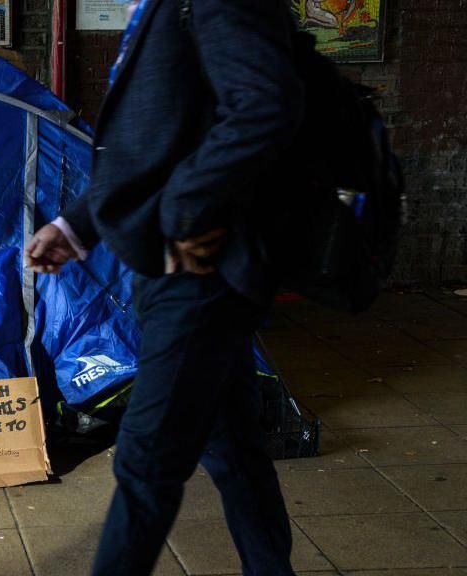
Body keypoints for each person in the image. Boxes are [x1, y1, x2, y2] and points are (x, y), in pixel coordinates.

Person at [26, 0, 304, 574]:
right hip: (172, 267)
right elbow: (153, 146)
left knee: (145, 461)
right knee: (231, 448)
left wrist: (184, 213)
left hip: (200, 270)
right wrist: (75, 225)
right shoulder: (161, 7)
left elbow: (266, 104)